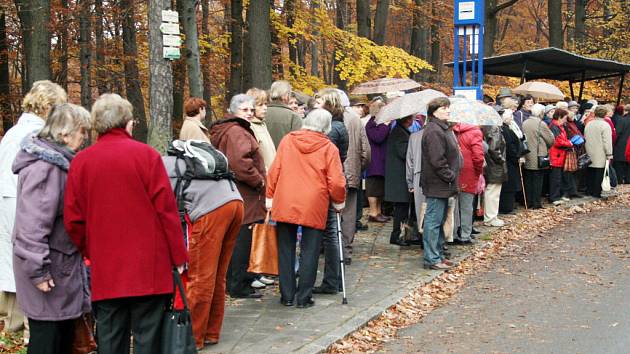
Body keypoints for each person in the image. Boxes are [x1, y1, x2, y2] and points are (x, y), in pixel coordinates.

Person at [64, 94, 188, 354]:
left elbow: (74, 219)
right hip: (149, 267)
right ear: (127, 122)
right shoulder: (146, 156)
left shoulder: (81, 162)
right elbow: (166, 211)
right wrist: (178, 256)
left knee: (110, 338)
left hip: (106, 267)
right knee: (149, 338)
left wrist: (91, 250)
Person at [13, 104, 91, 354]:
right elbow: (31, 225)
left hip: (59, 268)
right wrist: (39, 271)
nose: (85, 138)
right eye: (82, 132)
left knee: (60, 337)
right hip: (50, 272)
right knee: (48, 341)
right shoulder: (46, 169)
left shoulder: (56, 164)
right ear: (64, 134)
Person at [0, 80, 67, 335]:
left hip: (7, 200)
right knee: (31, 258)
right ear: (47, 106)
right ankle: (31, 325)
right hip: (23, 202)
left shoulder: (14, 131)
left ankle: (13, 322)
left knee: (10, 262)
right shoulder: (35, 134)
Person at [162, 148, 244, 350]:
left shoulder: (160, 168)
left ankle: (193, 338)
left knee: (200, 277)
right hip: (235, 202)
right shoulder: (177, 162)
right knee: (217, 275)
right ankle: (211, 333)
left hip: (211, 210)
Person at [266, 109, 346, 308]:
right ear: (327, 126)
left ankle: (287, 295)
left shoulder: (288, 141)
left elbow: (274, 169)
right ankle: (303, 297)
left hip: (285, 199)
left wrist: (270, 195)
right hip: (313, 203)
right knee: (310, 251)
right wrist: (339, 201)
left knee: (285, 249)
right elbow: (336, 181)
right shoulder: (329, 148)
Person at [210, 94, 266, 299]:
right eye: (245, 110)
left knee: (237, 239)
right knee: (242, 241)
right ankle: (238, 284)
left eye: (252, 110)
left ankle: (235, 281)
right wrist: (259, 180)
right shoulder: (237, 132)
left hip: (235, 192)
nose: (250, 113)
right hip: (245, 194)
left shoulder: (232, 129)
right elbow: (240, 162)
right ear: (234, 111)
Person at [312, 88, 348, 294]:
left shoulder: (332, 129)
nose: (315, 104)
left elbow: (328, 160)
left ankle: (332, 280)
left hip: (326, 184)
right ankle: (333, 279)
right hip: (331, 181)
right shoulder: (339, 125)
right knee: (331, 233)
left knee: (330, 234)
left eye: (320, 102)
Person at [421, 97, 461, 270]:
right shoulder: (434, 131)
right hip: (438, 183)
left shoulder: (441, 128)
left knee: (439, 220)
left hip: (443, 183)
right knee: (433, 221)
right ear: (434, 111)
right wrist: (450, 176)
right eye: (444, 108)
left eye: (448, 108)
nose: (448, 110)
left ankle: (437, 254)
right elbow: (437, 160)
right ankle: (432, 258)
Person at [339, 100, 370, 264]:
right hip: (350, 174)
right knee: (349, 215)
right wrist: (358, 168)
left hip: (328, 175)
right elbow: (366, 151)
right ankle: (346, 250)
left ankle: (329, 248)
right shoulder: (355, 120)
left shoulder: (321, 117)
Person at [385, 115, 414, 246]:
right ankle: (397, 235)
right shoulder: (399, 133)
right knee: (401, 208)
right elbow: (404, 153)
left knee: (402, 207)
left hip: (398, 176)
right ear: (407, 120)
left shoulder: (400, 131)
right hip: (399, 177)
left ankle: (401, 234)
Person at [453, 123, 484, 243]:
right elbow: (478, 156)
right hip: (469, 172)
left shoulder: (452, 130)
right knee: (466, 206)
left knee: (454, 206)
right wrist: (479, 171)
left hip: (454, 171)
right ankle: (465, 235)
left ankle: (453, 234)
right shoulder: (475, 132)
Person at [522, 104, 555, 209]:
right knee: (537, 180)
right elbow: (550, 139)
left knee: (528, 180)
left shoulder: (525, 122)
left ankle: (528, 202)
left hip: (527, 154)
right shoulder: (541, 123)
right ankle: (536, 203)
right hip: (538, 155)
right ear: (541, 113)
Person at [365, 100, 390, 223]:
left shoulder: (378, 123)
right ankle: (373, 212)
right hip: (374, 162)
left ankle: (378, 211)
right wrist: (385, 125)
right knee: (373, 189)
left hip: (381, 161)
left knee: (379, 189)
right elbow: (378, 137)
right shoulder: (371, 123)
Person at [498, 107, 524, 214]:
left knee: (510, 185)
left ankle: (508, 206)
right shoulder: (505, 130)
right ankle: (506, 207)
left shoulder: (506, 129)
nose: (512, 119)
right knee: (509, 185)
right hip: (510, 161)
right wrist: (517, 156)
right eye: (510, 117)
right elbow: (509, 146)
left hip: (510, 160)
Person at [584, 106, 613, 198]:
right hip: (600, 152)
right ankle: (596, 192)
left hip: (589, 151)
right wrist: (609, 153)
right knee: (599, 173)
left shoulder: (589, 124)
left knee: (590, 172)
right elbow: (607, 141)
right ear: (604, 114)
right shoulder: (605, 125)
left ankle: (589, 190)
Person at [482, 123, 507, 227]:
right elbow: (494, 148)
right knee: (493, 191)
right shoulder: (493, 127)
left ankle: (491, 216)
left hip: (491, 163)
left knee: (492, 191)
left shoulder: (487, 126)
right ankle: (491, 218)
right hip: (495, 164)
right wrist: (501, 160)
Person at [265, 81, 303, 148]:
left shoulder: (261, 113)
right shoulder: (293, 117)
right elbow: (299, 144)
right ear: (286, 96)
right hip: (286, 157)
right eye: (289, 94)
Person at [246, 88, 276, 171]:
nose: (265, 108)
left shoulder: (262, 124)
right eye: (260, 105)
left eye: (266, 104)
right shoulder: (249, 126)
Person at [613, 105, 630, 184]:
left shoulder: (622, 120)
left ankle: (619, 181)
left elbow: (617, 133)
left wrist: (614, 143)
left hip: (621, 145)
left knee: (619, 166)